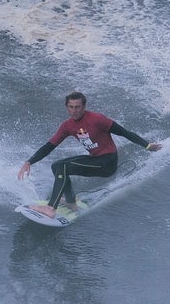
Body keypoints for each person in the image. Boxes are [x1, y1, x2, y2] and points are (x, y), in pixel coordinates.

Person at [18, 92, 161, 216]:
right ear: (67, 107)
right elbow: (50, 146)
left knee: (63, 167)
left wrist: (147, 145)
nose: (74, 111)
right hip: (95, 160)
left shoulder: (97, 119)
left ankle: (50, 208)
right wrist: (29, 162)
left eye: (78, 107)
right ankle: (71, 203)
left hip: (107, 162)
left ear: (84, 106)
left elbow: (125, 132)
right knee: (57, 166)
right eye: (71, 107)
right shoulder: (67, 125)